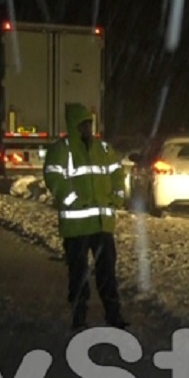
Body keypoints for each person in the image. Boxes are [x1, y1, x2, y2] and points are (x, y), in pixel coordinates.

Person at [42, 103, 129, 332]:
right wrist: (72, 200)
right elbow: (54, 178)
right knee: (78, 274)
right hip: (76, 226)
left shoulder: (103, 149)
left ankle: (114, 315)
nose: (87, 129)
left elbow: (117, 173)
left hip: (102, 225)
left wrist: (117, 197)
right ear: (74, 126)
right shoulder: (61, 150)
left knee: (107, 273)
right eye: (83, 125)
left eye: (89, 124)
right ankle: (79, 317)